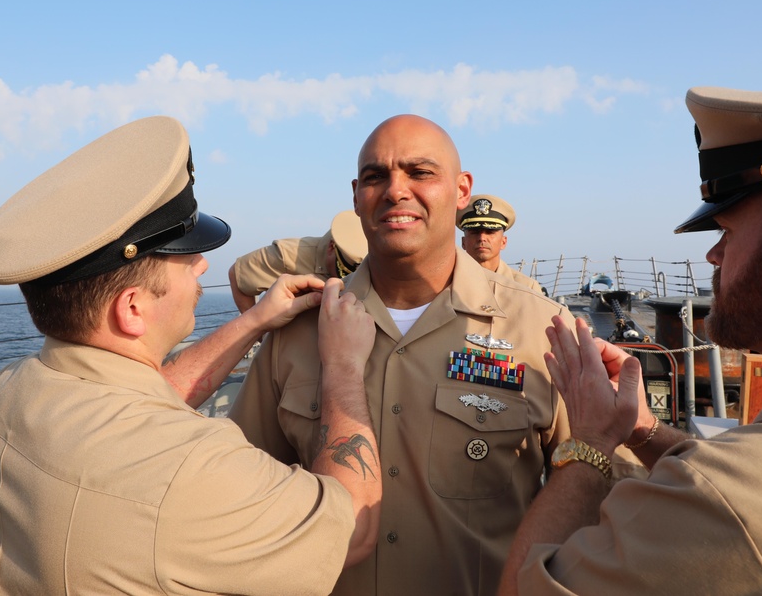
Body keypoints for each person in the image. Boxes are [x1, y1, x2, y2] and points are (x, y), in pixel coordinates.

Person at [0, 116, 381, 595]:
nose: (204, 265)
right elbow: (352, 525)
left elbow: (142, 405)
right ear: (134, 308)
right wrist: (344, 367)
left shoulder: (10, 390)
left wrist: (254, 321)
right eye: (186, 259)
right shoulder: (190, 470)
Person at [229, 114, 578, 595]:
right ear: (356, 197)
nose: (395, 190)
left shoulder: (541, 329)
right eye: (376, 176)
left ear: (461, 191)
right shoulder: (298, 332)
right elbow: (245, 487)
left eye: (420, 173)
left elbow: (592, 485)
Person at [499, 86, 762, 595]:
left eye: (728, 232)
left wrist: (588, 445)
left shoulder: (729, 504)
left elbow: (522, 588)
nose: (714, 257)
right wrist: (644, 430)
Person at [229, 209, 367, 312]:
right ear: (331, 247)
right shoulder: (289, 255)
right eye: (341, 273)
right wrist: (259, 334)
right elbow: (238, 273)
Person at [457, 193, 545, 294]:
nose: (482, 238)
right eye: (475, 232)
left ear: (503, 242)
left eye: (490, 232)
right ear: (463, 242)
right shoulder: (445, 285)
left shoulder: (526, 288)